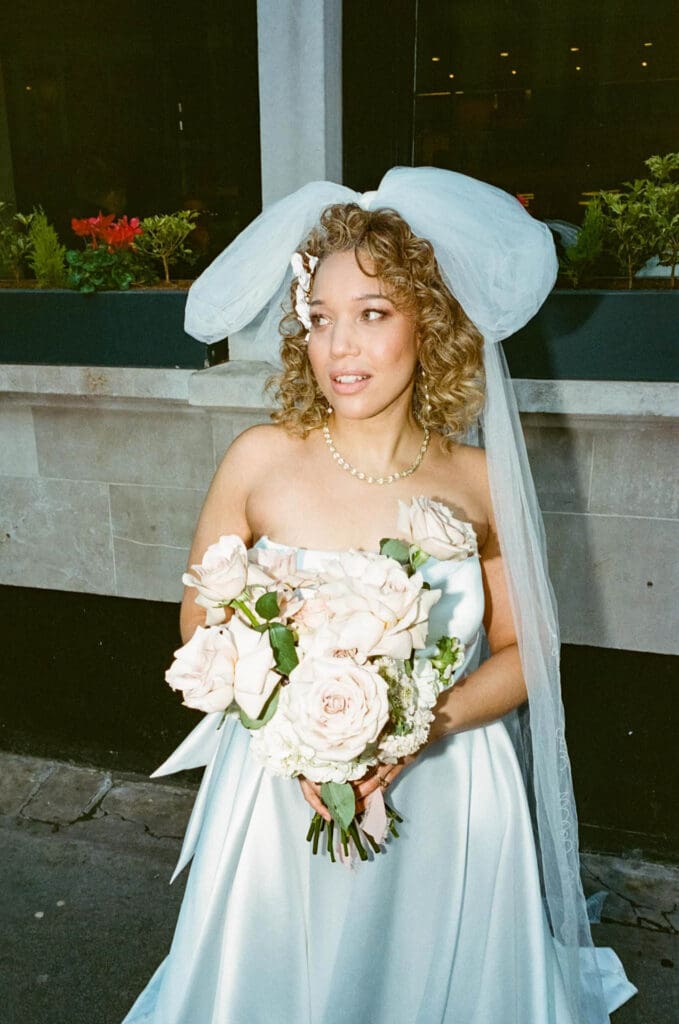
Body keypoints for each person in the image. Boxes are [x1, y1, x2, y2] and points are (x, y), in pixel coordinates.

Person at [122, 168, 636, 1023]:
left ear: (428, 324)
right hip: (280, 786)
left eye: (371, 314)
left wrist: (418, 725)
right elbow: (200, 622)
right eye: (320, 318)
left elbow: (530, 651)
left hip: (449, 792)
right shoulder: (258, 459)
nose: (339, 347)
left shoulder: (479, 480)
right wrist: (290, 726)